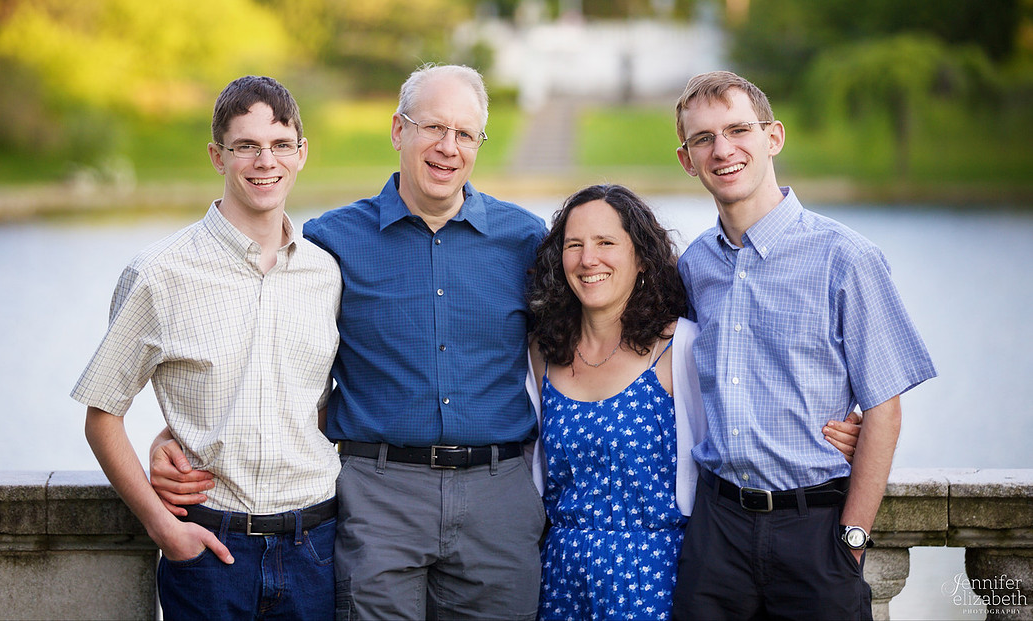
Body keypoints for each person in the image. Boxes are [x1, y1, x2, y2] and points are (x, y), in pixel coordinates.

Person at [152, 63, 548, 620]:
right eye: (432, 127)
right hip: (378, 494)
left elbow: (575, 361)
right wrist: (175, 433)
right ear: (397, 131)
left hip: (498, 496)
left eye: (464, 134)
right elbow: (262, 355)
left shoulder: (527, 240)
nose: (447, 147)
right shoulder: (329, 243)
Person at [71, 75, 342, 621]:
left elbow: (317, 404)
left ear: (301, 153)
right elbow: (102, 416)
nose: (265, 161)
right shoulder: (158, 274)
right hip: (212, 551)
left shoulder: (325, 273)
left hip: (316, 547)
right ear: (218, 156)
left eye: (279, 145)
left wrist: (185, 432)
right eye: (246, 146)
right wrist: (164, 528)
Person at [670, 70, 938, 619]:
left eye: (738, 130)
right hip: (716, 530)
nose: (723, 150)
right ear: (687, 159)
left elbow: (884, 410)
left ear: (774, 138)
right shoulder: (694, 266)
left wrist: (854, 539)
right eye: (703, 139)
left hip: (815, 530)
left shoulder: (847, 259)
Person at [526, 184, 860, 621]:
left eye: (607, 242)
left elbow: (746, 405)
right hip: (562, 578)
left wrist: (837, 430)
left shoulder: (681, 345)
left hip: (655, 577)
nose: (589, 259)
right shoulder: (541, 352)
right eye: (575, 245)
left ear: (641, 257)